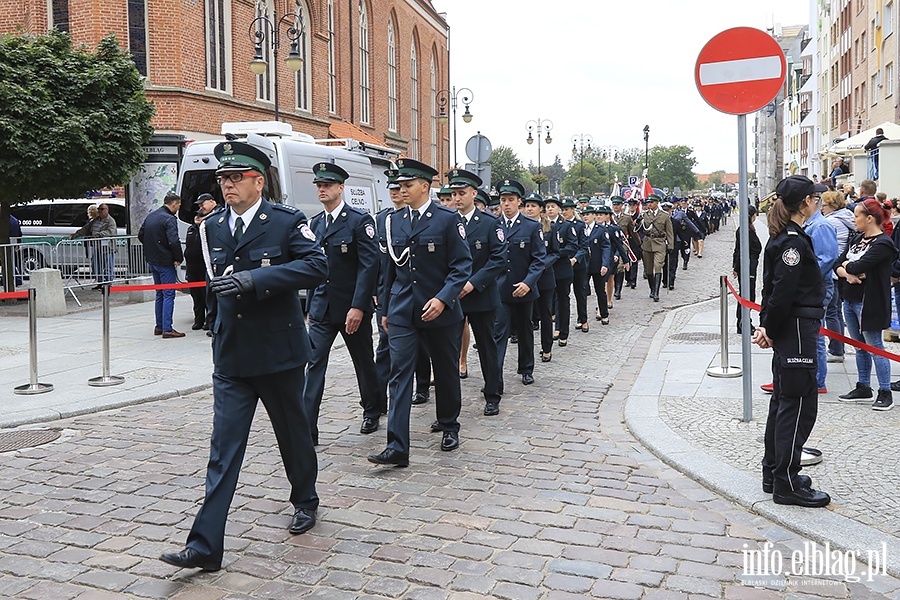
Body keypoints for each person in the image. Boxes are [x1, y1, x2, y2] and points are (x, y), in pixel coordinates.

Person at [159, 140, 327, 571]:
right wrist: (213, 323)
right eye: (222, 178)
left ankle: (305, 499)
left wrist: (256, 279)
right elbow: (211, 279)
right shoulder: (212, 226)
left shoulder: (287, 222)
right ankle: (205, 546)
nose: (227, 185)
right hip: (232, 356)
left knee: (292, 436)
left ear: (258, 181)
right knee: (223, 450)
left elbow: (316, 267)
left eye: (235, 178)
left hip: (278, 353)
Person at [369, 158, 471, 467]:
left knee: (444, 369)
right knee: (401, 374)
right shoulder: (394, 221)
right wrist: (386, 309)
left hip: (439, 310)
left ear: (424, 186)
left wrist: (442, 299)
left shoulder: (447, 219)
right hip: (402, 310)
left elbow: (461, 266)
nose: (403, 190)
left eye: (408, 185)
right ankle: (397, 445)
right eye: (400, 185)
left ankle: (449, 425)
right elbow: (389, 269)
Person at [752, 174, 831, 508]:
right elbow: (781, 291)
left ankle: (775, 472)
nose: (819, 202)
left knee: (784, 402)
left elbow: (773, 290)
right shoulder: (793, 243)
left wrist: (767, 325)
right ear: (805, 204)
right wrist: (768, 326)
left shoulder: (786, 237)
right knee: (798, 406)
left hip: (792, 326)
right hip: (797, 328)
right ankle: (786, 482)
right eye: (816, 198)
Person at [304, 162, 384, 443]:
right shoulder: (315, 224)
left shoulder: (359, 221)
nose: (322, 189)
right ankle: (308, 427)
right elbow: (314, 269)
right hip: (323, 308)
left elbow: (368, 265)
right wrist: (311, 308)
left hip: (352, 307)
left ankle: (372, 409)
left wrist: (359, 306)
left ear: (341, 188)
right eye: (319, 185)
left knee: (363, 361)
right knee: (313, 364)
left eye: (327, 185)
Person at [450, 169, 506, 416]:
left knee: (486, 346)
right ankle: (450, 402)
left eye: (462, 193)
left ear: (474, 193)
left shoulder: (489, 223)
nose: (457, 198)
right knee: (449, 349)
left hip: (480, 295)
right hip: (453, 296)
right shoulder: (447, 221)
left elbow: (498, 259)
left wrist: (473, 283)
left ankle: (492, 393)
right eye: (454, 194)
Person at [835, 197, 896, 411]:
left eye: (857, 215)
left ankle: (885, 391)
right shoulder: (857, 239)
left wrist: (848, 268)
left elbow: (861, 264)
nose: (853, 219)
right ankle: (863, 385)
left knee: (875, 346)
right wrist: (847, 272)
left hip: (869, 301)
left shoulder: (883, 244)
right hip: (850, 298)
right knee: (859, 346)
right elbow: (838, 263)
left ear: (869, 218)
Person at [494, 179, 548, 387]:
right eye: (503, 200)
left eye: (510, 200)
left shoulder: (532, 226)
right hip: (500, 289)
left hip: (524, 288)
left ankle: (526, 368)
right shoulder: (494, 225)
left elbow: (538, 259)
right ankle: (495, 375)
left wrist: (528, 283)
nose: (506, 204)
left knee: (525, 330)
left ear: (519, 202)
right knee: (499, 332)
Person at [139, 193, 185, 338]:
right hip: (165, 261)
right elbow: (173, 241)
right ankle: (167, 328)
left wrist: (152, 248)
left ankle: (159, 326)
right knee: (168, 294)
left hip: (152, 260)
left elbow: (141, 235)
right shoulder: (170, 219)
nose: (179, 208)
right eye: (179, 205)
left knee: (160, 294)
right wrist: (178, 257)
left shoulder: (151, 216)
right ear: (174, 204)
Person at [523, 193, 559, 362]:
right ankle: (527, 352)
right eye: (527, 206)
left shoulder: (550, 228)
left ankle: (546, 348)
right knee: (528, 317)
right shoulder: (521, 226)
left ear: (540, 209)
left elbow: (555, 252)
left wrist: (543, 264)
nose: (530, 209)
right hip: (527, 278)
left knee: (545, 315)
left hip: (544, 278)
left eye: (533, 206)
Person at [821, 191, 855, 362]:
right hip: (840, 271)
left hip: (832, 272)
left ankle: (836, 350)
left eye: (824, 206)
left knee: (831, 313)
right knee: (837, 312)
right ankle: (838, 347)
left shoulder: (832, 221)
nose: (822, 209)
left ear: (833, 206)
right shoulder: (847, 217)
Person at [546, 195, 580, 346]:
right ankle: (554, 329)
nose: (550, 209)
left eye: (552, 206)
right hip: (547, 270)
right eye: (547, 207)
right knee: (549, 303)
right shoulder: (543, 225)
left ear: (559, 209)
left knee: (563, 301)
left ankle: (563, 331)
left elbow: (573, 246)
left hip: (561, 269)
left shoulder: (566, 226)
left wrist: (556, 253)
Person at [184, 193, 219, 330]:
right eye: (197, 214)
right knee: (196, 296)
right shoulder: (192, 229)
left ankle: (209, 322)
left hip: (205, 267)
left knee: (207, 295)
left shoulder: (209, 225)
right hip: (193, 267)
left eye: (202, 205)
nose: (198, 216)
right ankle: (198, 319)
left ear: (212, 202)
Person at [636, 195, 674, 302]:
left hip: (659, 243)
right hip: (647, 244)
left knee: (658, 266)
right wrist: (638, 221)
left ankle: (656, 292)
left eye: (651, 202)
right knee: (648, 269)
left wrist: (670, 245)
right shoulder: (644, 215)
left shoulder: (665, 216)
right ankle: (652, 289)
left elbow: (670, 232)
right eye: (648, 202)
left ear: (657, 203)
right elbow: (638, 229)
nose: (649, 204)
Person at [732, 205, 762, 334]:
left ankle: (743, 321)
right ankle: (743, 323)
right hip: (747, 266)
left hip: (749, 265)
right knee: (747, 295)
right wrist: (737, 267)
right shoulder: (745, 230)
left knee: (748, 294)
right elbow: (739, 250)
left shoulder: (747, 228)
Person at [72, 202, 117, 288]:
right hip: (96, 247)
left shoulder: (110, 221)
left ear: (107, 210)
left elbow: (111, 231)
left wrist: (99, 234)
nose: (99, 211)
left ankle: (108, 283)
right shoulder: (96, 220)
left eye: (102, 209)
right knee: (96, 266)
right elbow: (87, 228)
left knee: (108, 266)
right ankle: (100, 282)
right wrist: (77, 234)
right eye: (99, 209)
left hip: (107, 247)